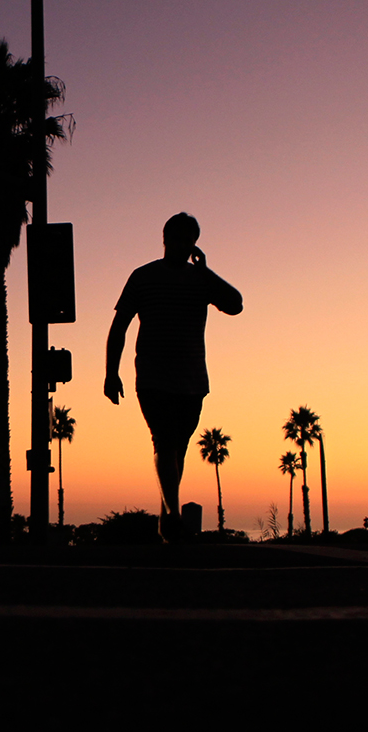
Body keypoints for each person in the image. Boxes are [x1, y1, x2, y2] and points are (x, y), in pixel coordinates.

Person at [104, 213, 243, 542]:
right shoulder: (143, 277)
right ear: (164, 238)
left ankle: (167, 516)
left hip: (193, 380)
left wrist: (207, 272)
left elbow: (235, 304)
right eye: (174, 237)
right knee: (164, 441)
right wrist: (112, 372)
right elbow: (119, 326)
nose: (180, 244)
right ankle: (174, 514)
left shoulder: (201, 280)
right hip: (153, 377)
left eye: (187, 239)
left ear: (194, 242)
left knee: (176, 450)